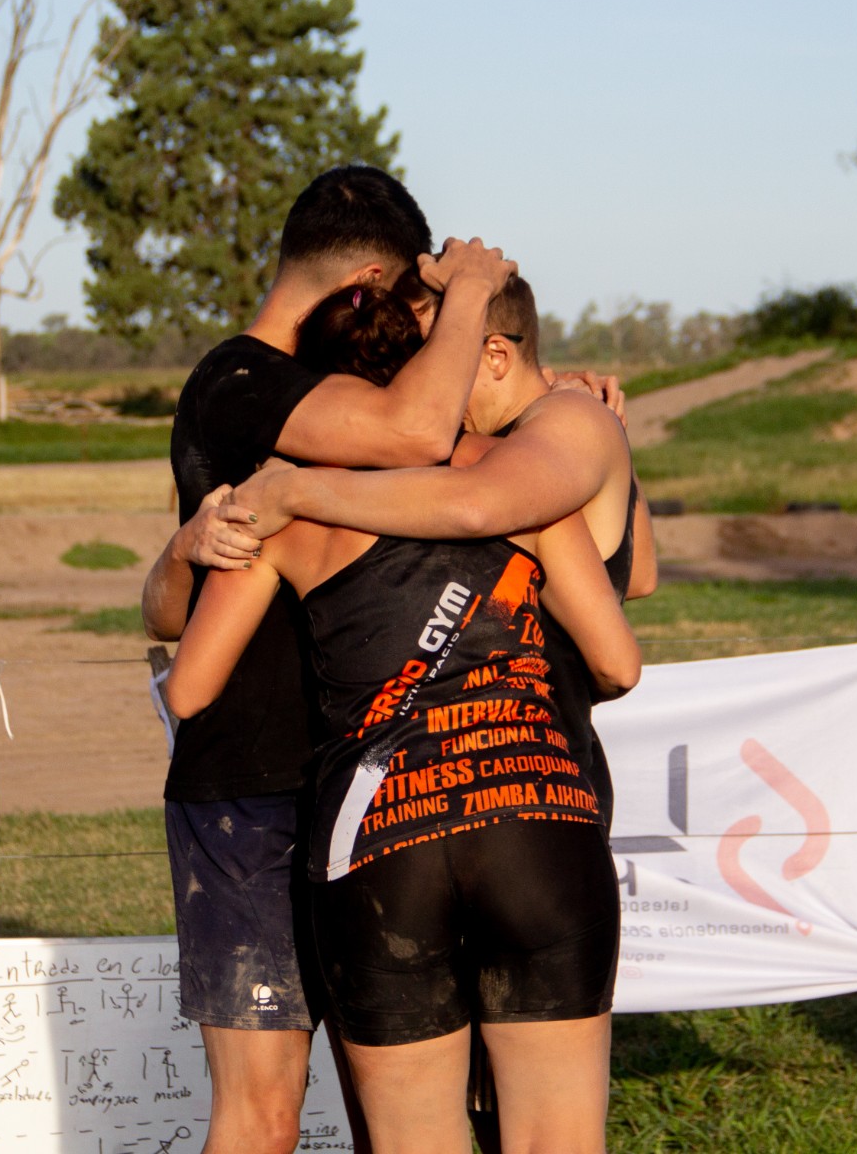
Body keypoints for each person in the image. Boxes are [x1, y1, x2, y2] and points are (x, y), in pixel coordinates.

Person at [162, 282, 640, 1154]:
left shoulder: (287, 505)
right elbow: (619, 661)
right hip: (534, 816)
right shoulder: (519, 483)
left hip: (382, 840)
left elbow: (188, 691)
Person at [141, 165, 516, 1154]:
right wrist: (470, 292)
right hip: (251, 792)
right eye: (398, 304)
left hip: (371, 784)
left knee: (396, 1109)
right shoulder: (243, 385)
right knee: (263, 1116)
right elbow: (417, 430)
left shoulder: (322, 394)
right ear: (359, 289)